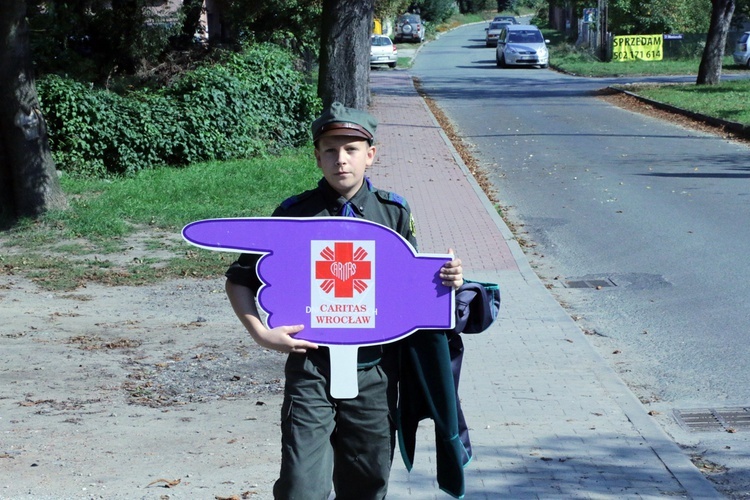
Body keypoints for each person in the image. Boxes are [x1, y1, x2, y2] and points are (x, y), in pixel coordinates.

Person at [224, 101, 464, 500]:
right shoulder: (293, 215)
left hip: (376, 368)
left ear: (371, 155)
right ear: (317, 156)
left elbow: (412, 285)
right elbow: (240, 279)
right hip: (311, 366)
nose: (341, 160)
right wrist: (262, 334)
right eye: (331, 150)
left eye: (351, 149)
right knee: (301, 486)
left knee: (367, 484)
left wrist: (447, 279)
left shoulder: (393, 214)